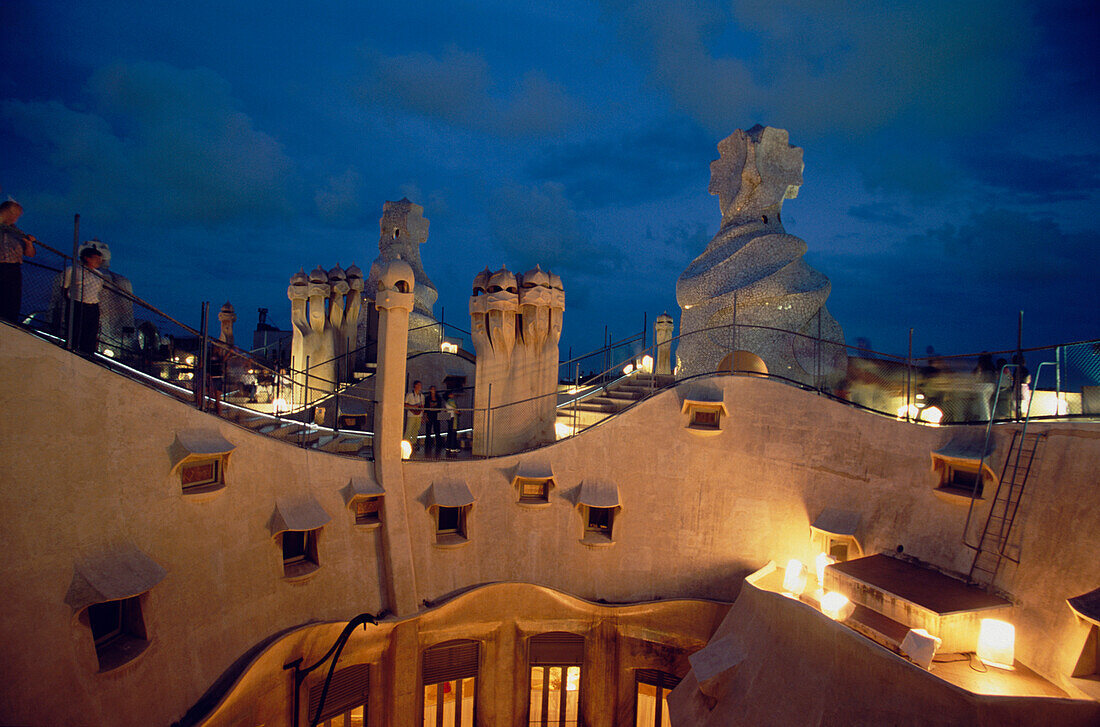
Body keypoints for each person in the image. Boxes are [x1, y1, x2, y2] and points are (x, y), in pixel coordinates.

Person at [63, 247, 106, 355]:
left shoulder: (99, 275)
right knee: (75, 330)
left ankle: (88, 353)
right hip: (77, 304)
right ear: (87, 258)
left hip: (92, 306)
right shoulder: (73, 270)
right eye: (96, 259)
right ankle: (71, 350)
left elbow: (98, 290)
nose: (99, 262)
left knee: (90, 333)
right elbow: (64, 287)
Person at [0, 200, 37, 323]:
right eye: (15, 214)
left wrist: (28, 244)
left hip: (13, 269)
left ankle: (9, 322)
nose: (16, 218)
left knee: (11, 300)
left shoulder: (16, 232)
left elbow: (30, 254)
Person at [404, 380, 424, 450]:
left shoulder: (422, 396)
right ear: (415, 386)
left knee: (416, 429)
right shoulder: (409, 395)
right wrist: (413, 407)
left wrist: (422, 416)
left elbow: (422, 406)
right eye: (418, 385)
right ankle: (405, 443)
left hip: (419, 415)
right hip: (411, 415)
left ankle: (413, 443)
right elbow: (405, 404)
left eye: (420, 385)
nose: (420, 386)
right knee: (409, 429)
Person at [424, 384, 442, 451]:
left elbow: (440, 407)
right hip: (429, 415)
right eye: (432, 389)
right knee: (428, 430)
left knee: (437, 430)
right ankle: (428, 444)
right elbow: (426, 408)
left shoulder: (438, 398)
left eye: (434, 389)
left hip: (436, 415)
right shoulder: (427, 398)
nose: (433, 390)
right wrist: (425, 416)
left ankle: (438, 444)